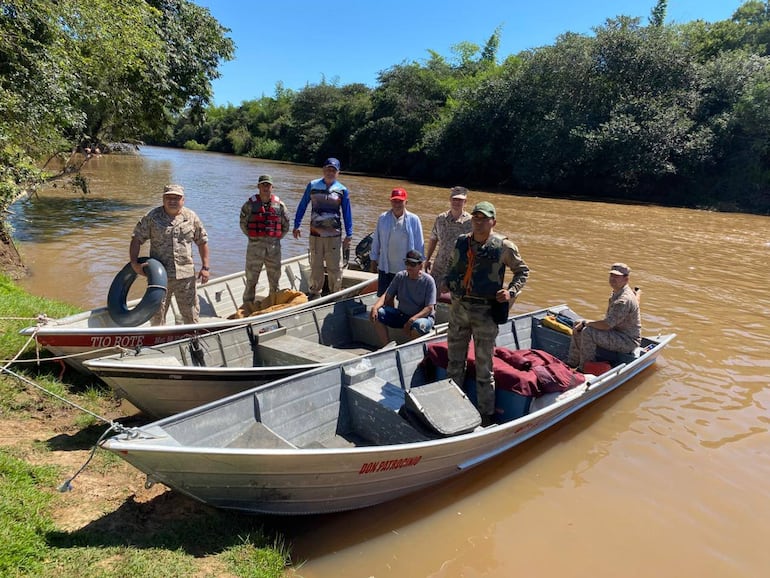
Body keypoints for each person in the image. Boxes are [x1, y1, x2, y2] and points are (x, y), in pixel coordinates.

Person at [444, 201, 530, 426]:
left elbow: (522, 271)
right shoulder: (461, 242)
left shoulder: (503, 246)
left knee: (484, 368)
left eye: (484, 218)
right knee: (454, 363)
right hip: (459, 309)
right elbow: (452, 264)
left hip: (485, 313)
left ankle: (485, 416)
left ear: (493, 222)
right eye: (476, 217)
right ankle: (452, 407)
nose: (479, 222)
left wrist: (510, 292)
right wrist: (447, 281)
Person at [129, 184, 210, 325]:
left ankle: (192, 337)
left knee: (191, 316)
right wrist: (134, 263)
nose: (172, 201)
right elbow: (136, 239)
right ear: (163, 199)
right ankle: (159, 338)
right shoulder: (152, 217)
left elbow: (202, 242)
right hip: (159, 277)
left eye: (176, 198)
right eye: (169, 198)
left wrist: (205, 267)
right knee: (157, 316)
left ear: (183, 200)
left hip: (186, 277)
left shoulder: (191, 217)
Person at [292, 157, 353, 298]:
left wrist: (349, 234)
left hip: (334, 236)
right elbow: (303, 205)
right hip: (315, 234)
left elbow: (347, 213)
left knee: (335, 267)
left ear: (338, 173)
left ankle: (335, 293)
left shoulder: (342, 190)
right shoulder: (313, 185)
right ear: (323, 170)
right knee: (316, 266)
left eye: (333, 170)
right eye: (328, 169)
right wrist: (297, 225)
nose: (330, 172)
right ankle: (314, 293)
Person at [567, 263, 641, 370]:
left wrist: (585, 323)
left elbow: (606, 325)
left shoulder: (623, 300)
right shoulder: (619, 291)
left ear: (626, 279)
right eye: (612, 275)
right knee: (577, 323)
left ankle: (584, 368)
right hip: (616, 332)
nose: (613, 278)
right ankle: (572, 362)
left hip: (627, 341)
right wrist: (583, 323)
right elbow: (635, 301)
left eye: (617, 276)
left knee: (588, 331)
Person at [239, 174, 290, 303]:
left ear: (272, 187)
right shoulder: (249, 205)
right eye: (263, 185)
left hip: (274, 249)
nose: (266, 187)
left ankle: (273, 303)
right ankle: (247, 305)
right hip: (254, 248)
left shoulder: (280, 206)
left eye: (268, 185)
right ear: (258, 187)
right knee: (251, 280)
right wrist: (254, 238)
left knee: (274, 281)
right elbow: (243, 225)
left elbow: (285, 227)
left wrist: (275, 239)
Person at [369, 250, 437, 346]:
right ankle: (387, 347)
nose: (409, 267)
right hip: (402, 315)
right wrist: (375, 307)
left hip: (422, 318)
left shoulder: (428, 281)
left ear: (420, 266)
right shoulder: (400, 276)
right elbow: (386, 295)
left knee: (418, 325)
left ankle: (414, 350)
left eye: (413, 264)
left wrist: (412, 320)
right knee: (378, 314)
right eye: (407, 263)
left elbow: (429, 308)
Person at [369, 187, 425, 296]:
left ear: (406, 202)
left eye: (400, 201)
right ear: (390, 201)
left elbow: (420, 244)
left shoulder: (414, 219)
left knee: (404, 300)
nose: (397, 204)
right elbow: (376, 241)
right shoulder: (383, 218)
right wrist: (373, 260)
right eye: (394, 201)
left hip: (406, 269)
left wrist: (420, 265)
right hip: (385, 268)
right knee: (384, 299)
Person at [424, 185, 472, 291]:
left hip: (459, 269)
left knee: (454, 297)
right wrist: (427, 259)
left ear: (465, 201)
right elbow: (433, 238)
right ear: (450, 199)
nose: (457, 202)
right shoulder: (440, 218)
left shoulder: (471, 222)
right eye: (454, 199)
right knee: (433, 294)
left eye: (460, 200)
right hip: (439, 266)